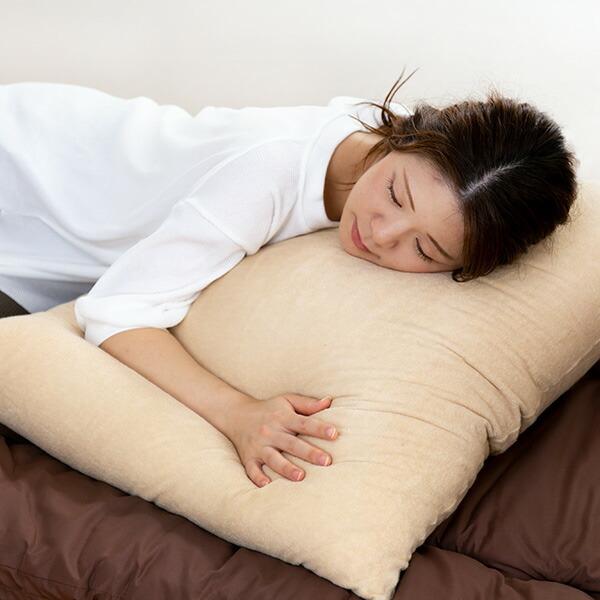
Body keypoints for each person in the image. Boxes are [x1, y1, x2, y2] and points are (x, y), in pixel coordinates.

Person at [0, 69, 579, 488]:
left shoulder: (404, 171)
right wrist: (238, 411)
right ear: (404, 134)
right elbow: (115, 312)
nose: (382, 234)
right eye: (395, 194)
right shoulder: (269, 173)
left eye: (424, 249)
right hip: (23, 168)